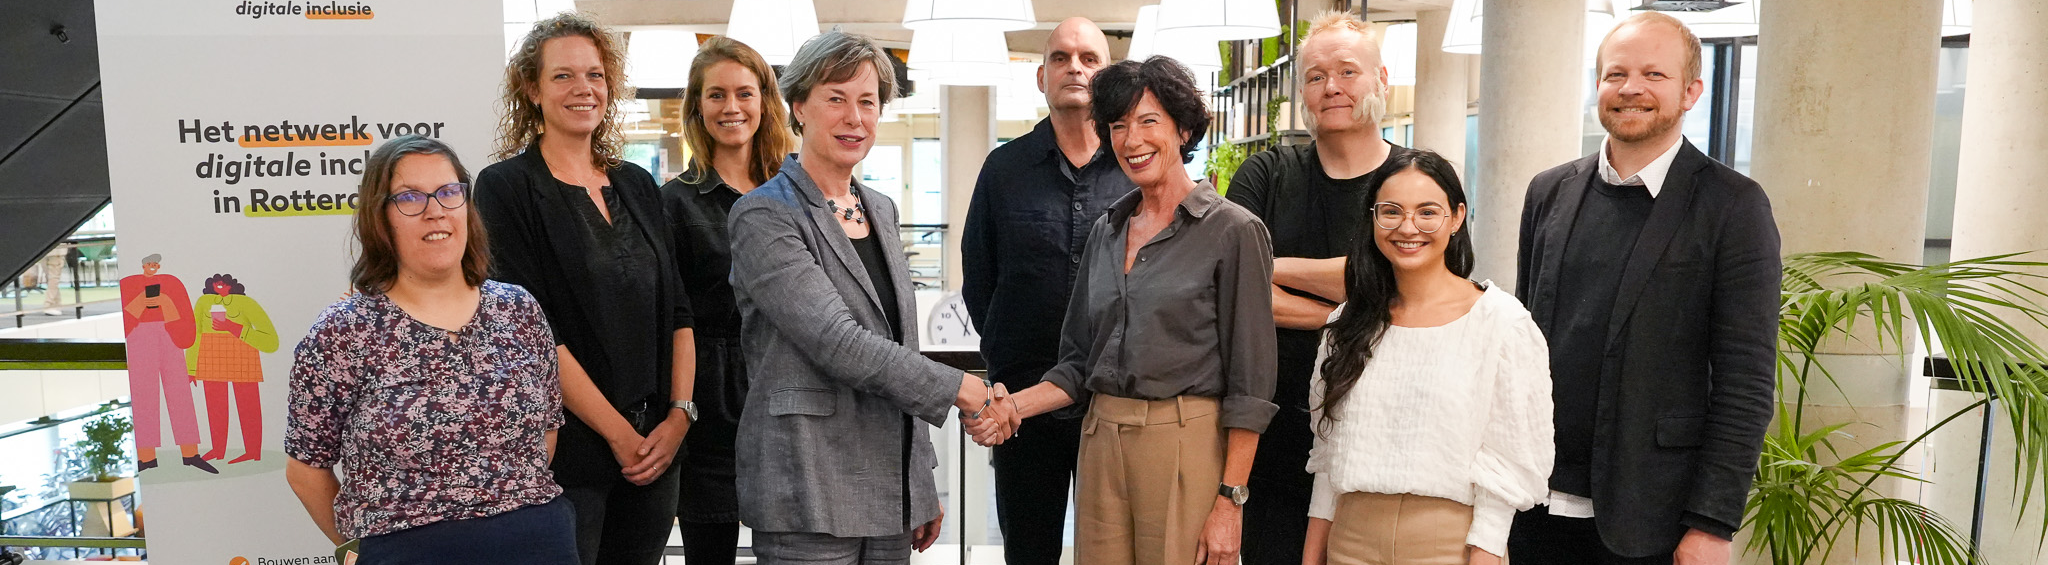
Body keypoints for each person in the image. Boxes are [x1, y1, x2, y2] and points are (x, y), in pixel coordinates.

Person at [981, 55, 1278, 565]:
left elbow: (1250, 385)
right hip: (1100, 442)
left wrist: (1231, 500)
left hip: (1184, 443)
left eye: (1148, 121)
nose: (1132, 140)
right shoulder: (1107, 230)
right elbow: (1078, 363)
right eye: (1117, 126)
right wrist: (1011, 407)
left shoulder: (1233, 231)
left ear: (1184, 129)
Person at [725, 30, 1007, 565]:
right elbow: (837, 342)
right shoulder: (764, 214)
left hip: (889, 492)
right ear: (799, 107)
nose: (854, 118)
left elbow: (901, 341)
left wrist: (919, 482)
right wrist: (963, 389)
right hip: (808, 482)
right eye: (836, 98)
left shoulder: (880, 208)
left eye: (868, 102)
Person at [1508, 12, 1780, 565]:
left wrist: (1712, 524)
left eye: (1654, 74)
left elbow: (1746, 381)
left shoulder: (1733, 205)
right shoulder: (1548, 192)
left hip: (1655, 516)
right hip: (1534, 504)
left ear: (1691, 92)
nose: (1631, 88)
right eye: (1617, 74)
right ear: (1599, 85)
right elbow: (1522, 348)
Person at [283, 135, 575, 564]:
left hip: (536, 544)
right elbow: (306, 469)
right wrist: (359, 552)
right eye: (410, 197)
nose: (434, 210)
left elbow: (546, 432)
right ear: (380, 219)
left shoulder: (519, 309)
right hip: (406, 551)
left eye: (449, 191)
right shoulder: (342, 331)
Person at [474, 13, 698, 565]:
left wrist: (679, 416)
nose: (583, 89)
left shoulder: (638, 183)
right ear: (531, 89)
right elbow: (532, 334)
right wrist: (619, 434)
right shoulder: (505, 188)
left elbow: (678, 311)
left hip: (658, 447)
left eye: (595, 75)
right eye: (563, 76)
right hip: (569, 455)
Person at [1220, 13, 1416, 565]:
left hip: (1385, 440)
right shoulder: (1265, 174)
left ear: (1381, 78)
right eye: (1315, 76)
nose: (1332, 87)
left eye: (1348, 71)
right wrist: (1359, 307)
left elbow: (1415, 292)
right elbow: (1229, 287)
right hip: (1275, 438)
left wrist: (1268, 265)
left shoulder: (1416, 181)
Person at [1300, 150, 1552, 565]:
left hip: (1448, 544)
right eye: (1391, 211)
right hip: (1350, 538)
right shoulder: (1348, 322)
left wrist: (1485, 553)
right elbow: (1328, 456)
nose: (1408, 227)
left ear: (1456, 217)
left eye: (1427, 212)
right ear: (1373, 217)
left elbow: (1510, 462)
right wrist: (1312, 556)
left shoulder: (1501, 322)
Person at [960, 17, 1132, 565]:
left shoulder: (1135, 168)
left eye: (1089, 58)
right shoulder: (1004, 169)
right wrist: (1009, 350)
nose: (1074, 68)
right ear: (1041, 78)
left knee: (1113, 551)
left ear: (1107, 78)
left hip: (1116, 399)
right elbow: (979, 278)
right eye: (1060, 58)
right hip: (1022, 402)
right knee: (1028, 549)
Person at [658, 36, 796, 565]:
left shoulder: (796, 191)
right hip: (710, 400)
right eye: (716, 95)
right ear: (697, 107)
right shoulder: (674, 202)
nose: (731, 107)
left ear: (765, 101)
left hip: (788, 391)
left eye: (744, 93)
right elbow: (673, 314)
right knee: (709, 550)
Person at [121, 253, 214, 474]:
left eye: (155, 264)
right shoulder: (128, 284)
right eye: (148, 263)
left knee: (180, 393)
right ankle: (146, 457)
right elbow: (125, 319)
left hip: (170, 335)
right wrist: (139, 304)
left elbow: (184, 316)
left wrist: (166, 304)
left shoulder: (171, 283)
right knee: (143, 396)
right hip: (138, 338)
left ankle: (190, 453)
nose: (152, 267)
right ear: (143, 265)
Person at [187, 273, 278, 464]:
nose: (220, 285)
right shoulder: (203, 302)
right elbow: (195, 334)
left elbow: (271, 341)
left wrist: (233, 327)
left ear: (232, 285)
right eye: (216, 282)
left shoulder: (246, 303)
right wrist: (191, 368)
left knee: (248, 407)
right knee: (215, 408)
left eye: (225, 282)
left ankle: (253, 452)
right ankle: (218, 450)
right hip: (210, 360)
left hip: (243, 359)